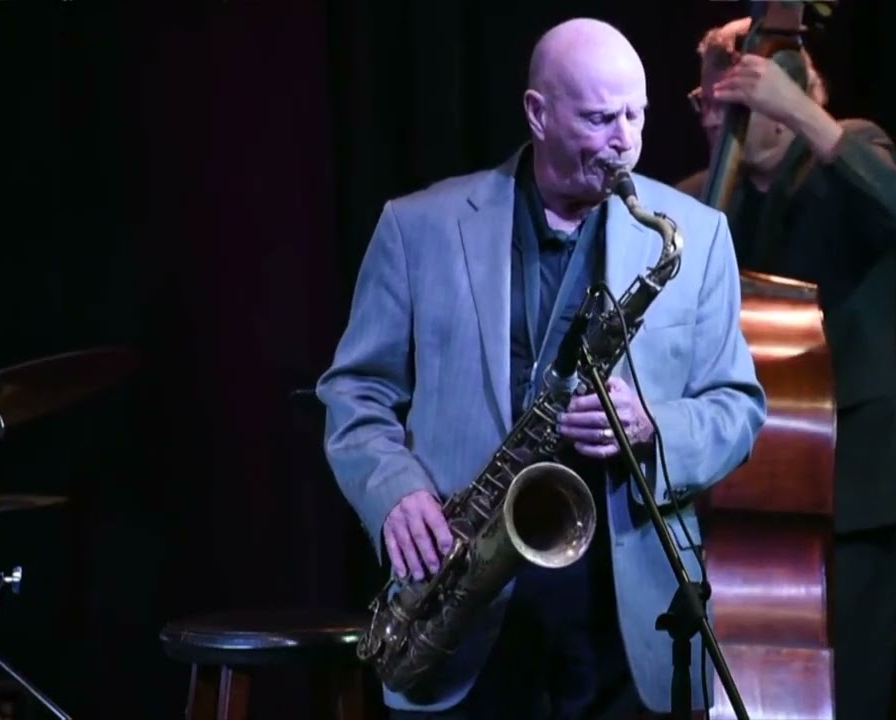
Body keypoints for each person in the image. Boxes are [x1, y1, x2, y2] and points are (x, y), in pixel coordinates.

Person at [316, 17, 766, 720]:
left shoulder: (698, 235)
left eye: (635, 115)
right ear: (538, 113)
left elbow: (737, 405)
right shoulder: (417, 226)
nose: (624, 139)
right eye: (598, 117)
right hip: (462, 602)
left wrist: (652, 427)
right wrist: (395, 494)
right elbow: (355, 392)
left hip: (626, 618)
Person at [676, 13, 896, 720]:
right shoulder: (697, 201)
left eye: (730, 104)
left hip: (855, 494)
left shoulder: (848, 156)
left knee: (853, 698)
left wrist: (807, 115)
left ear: (780, 111)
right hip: (737, 502)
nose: (711, 122)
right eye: (705, 104)